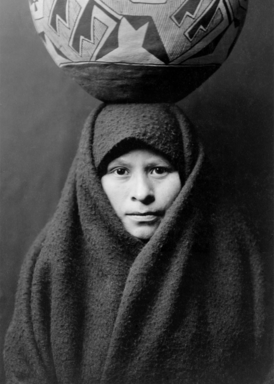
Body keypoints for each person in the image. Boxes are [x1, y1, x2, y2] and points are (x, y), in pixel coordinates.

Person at [4, 103, 273, 384]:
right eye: (120, 171)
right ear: (92, 180)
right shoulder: (52, 261)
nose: (142, 193)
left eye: (159, 170)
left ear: (190, 175)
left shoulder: (236, 255)